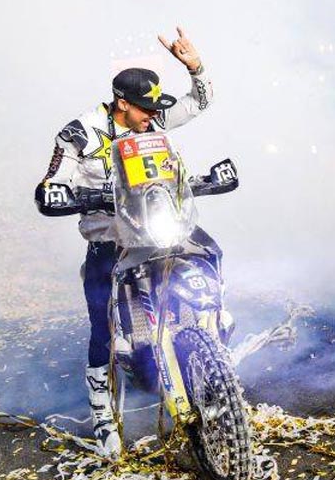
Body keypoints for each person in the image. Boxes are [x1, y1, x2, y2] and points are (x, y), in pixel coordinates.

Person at [35, 26, 212, 456]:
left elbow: (199, 103)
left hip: (156, 232)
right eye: (146, 109)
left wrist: (196, 68)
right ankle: (102, 411)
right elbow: (51, 182)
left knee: (210, 252)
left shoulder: (151, 118)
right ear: (123, 104)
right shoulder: (79, 132)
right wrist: (63, 194)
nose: (153, 116)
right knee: (103, 326)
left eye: (155, 109)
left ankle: (212, 338)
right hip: (111, 241)